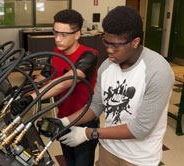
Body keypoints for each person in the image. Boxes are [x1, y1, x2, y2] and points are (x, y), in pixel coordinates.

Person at [58, 6, 175, 166]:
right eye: (106, 43)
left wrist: (88, 133)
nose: (108, 50)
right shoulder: (107, 67)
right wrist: (66, 121)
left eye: (115, 46)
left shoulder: (157, 71)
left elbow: (140, 128)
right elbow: (97, 105)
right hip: (109, 148)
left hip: (139, 158)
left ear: (135, 42)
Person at [11, 9, 99, 166]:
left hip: (84, 120)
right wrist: (22, 93)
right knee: (69, 161)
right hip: (62, 119)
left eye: (63, 34)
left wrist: (31, 98)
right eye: (55, 33)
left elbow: (64, 83)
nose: (58, 39)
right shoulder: (56, 53)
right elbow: (42, 79)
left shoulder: (89, 55)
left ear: (77, 34)